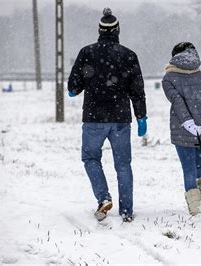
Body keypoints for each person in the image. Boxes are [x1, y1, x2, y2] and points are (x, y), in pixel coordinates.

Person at [67, 8, 147, 223]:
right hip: (121, 118)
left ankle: (103, 197)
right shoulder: (129, 55)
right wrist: (141, 117)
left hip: (94, 118)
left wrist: (79, 86)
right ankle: (127, 210)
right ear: (118, 30)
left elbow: (73, 88)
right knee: (123, 164)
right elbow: (137, 90)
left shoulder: (87, 53)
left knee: (91, 158)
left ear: (99, 30)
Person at [162, 42, 201, 215]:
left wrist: (187, 123)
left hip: (182, 130)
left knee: (188, 168)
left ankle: (195, 208)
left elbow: (177, 102)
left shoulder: (168, 79)